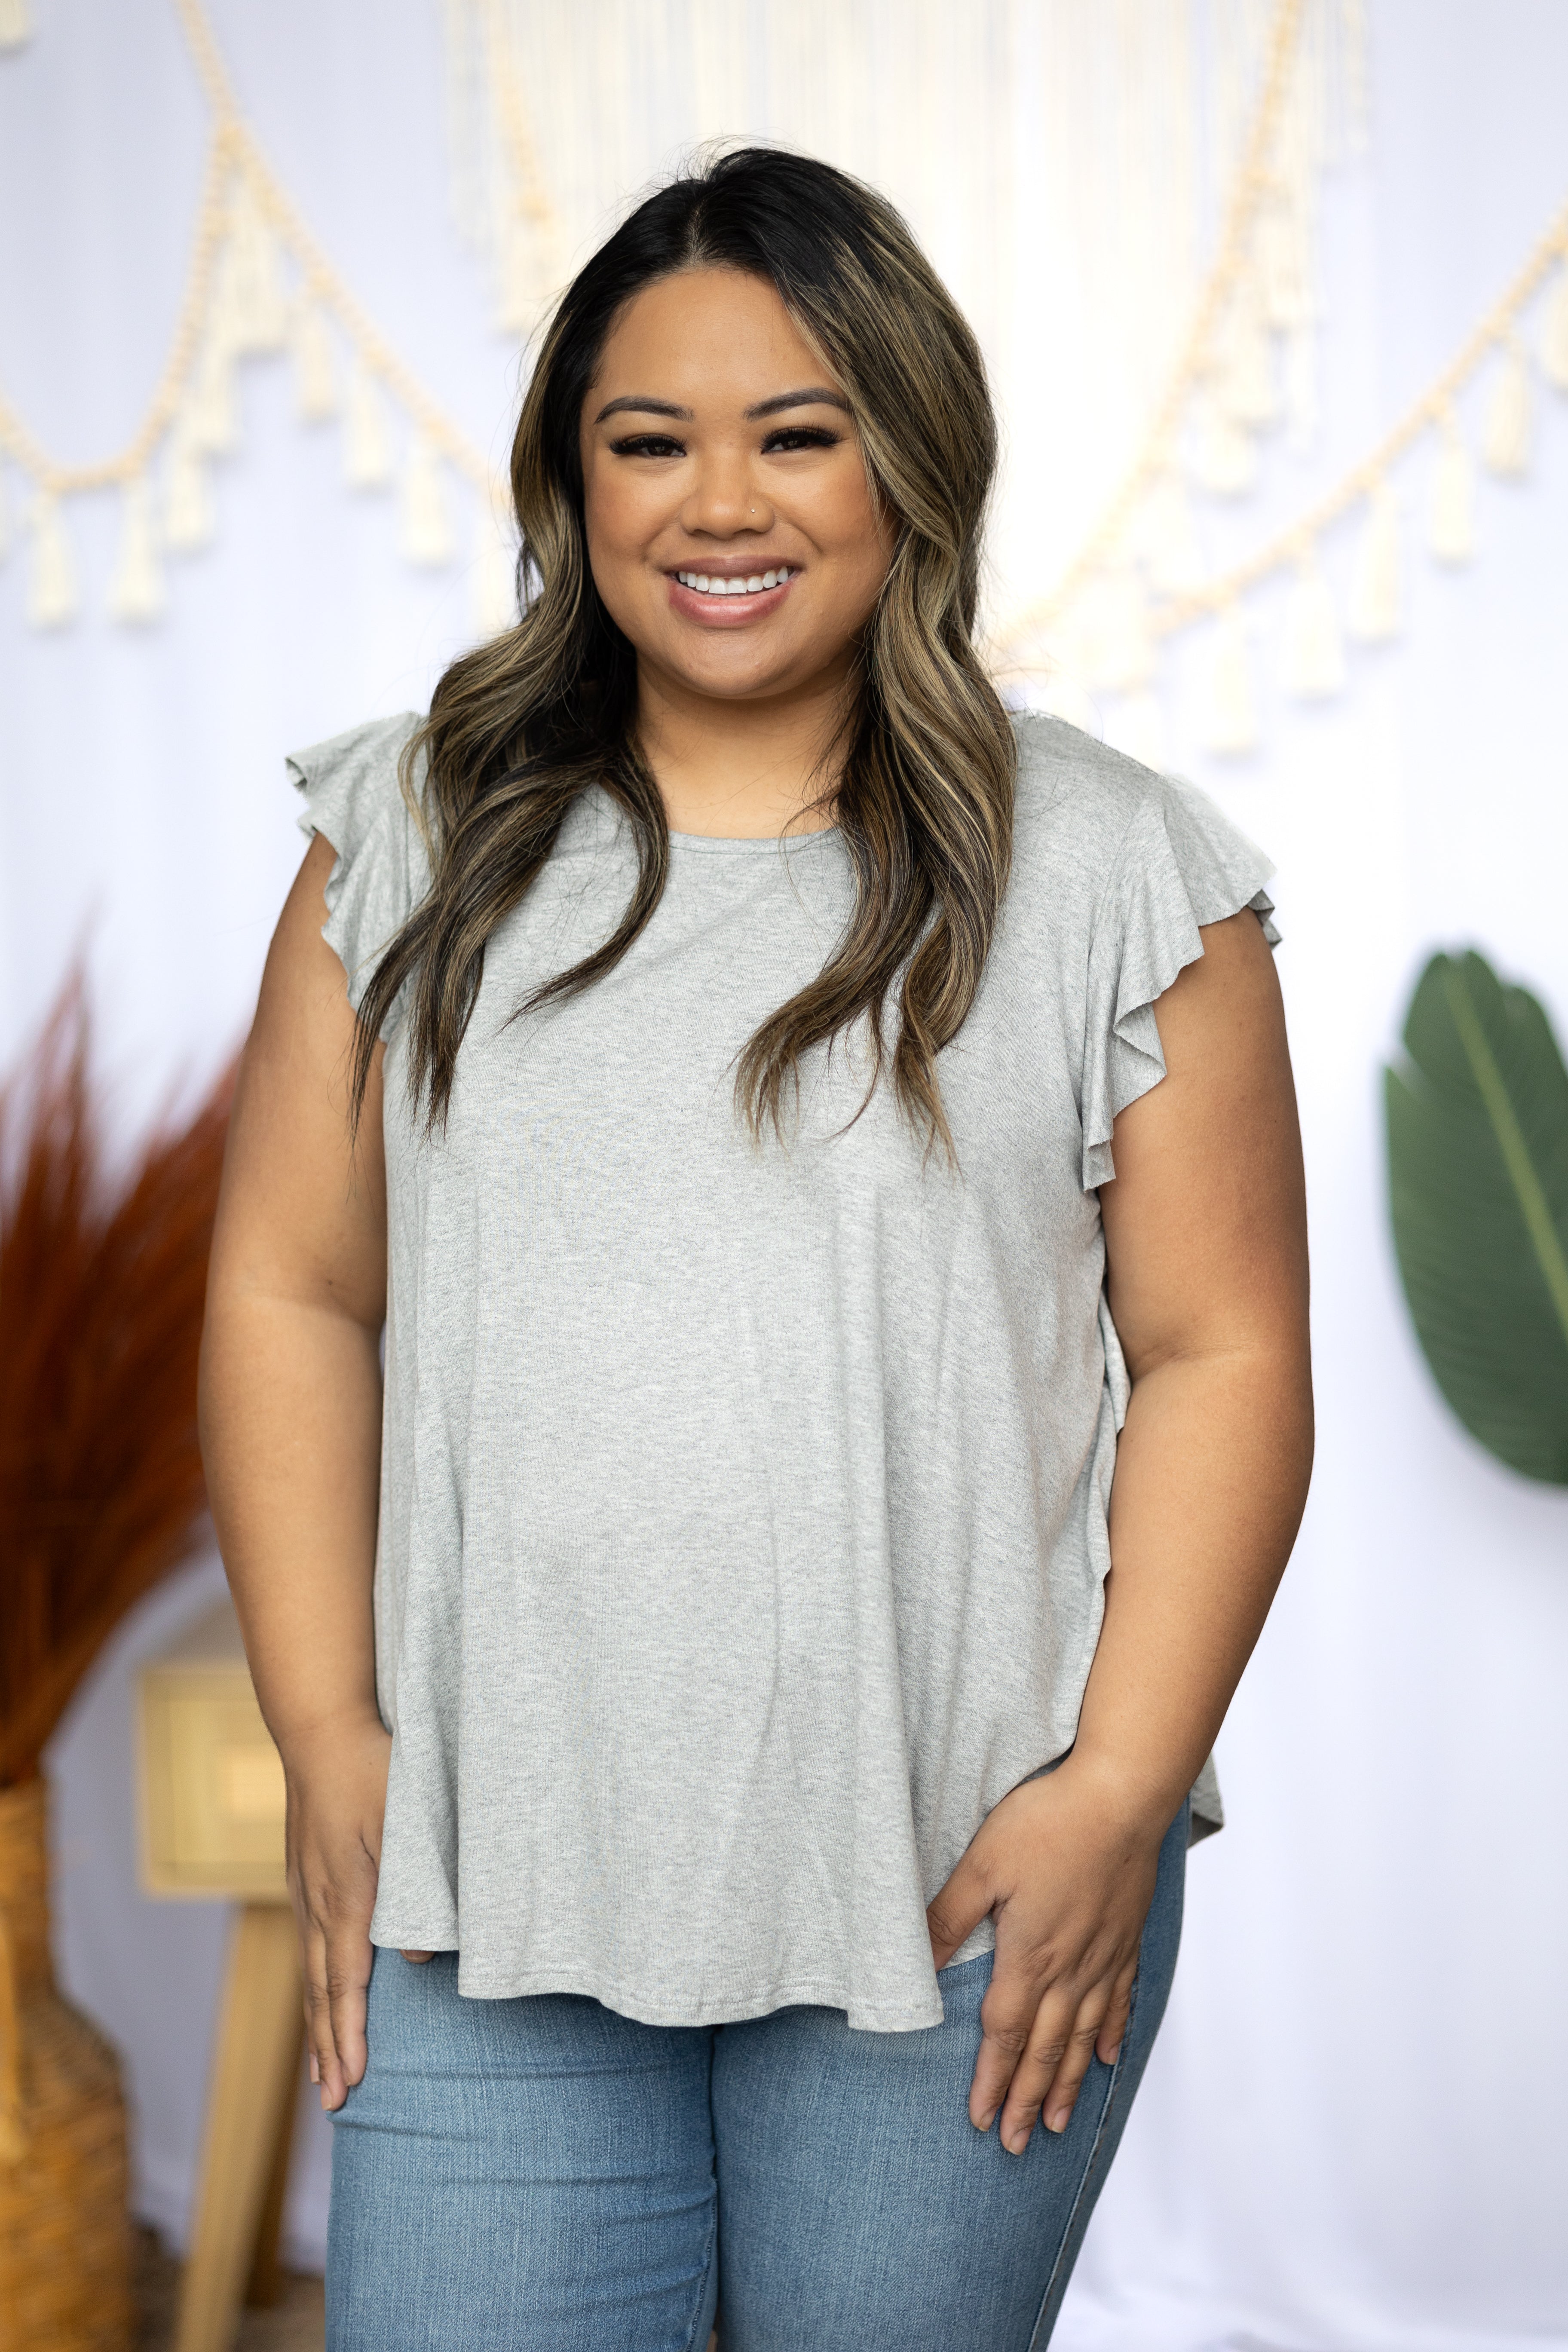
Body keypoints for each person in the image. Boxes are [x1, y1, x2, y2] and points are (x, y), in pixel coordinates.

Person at [199, 147, 1312, 2352]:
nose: (721, 503)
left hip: (963, 1891)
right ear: (571, 477)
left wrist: (1114, 1791)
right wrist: (326, 1732)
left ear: (909, 461)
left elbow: (1227, 1354)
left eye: (798, 434)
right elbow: (290, 1291)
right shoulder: (409, 839)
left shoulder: (1112, 871)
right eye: (651, 441)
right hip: (479, 1882)